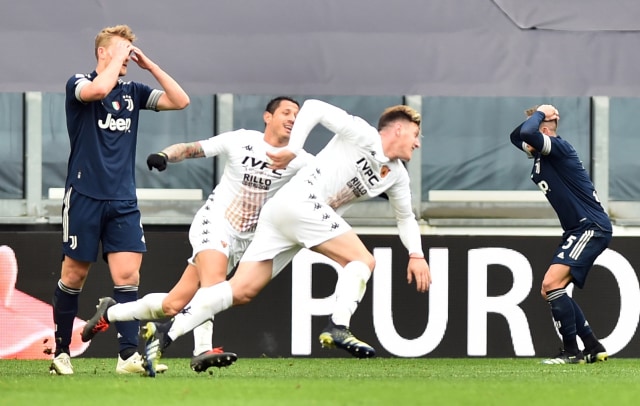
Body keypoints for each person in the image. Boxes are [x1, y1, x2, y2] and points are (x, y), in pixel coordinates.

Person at [138, 99, 432, 374]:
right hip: (300, 204)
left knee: (240, 291)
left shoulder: (397, 176)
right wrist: (294, 148)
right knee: (362, 260)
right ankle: (338, 326)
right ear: (398, 129)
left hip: (283, 215)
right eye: (416, 134)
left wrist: (416, 254)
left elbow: (405, 217)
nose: (418, 143)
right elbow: (314, 107)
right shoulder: (361, 133)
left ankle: (166, 333)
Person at [81, 96, 312, 376]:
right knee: (214, 286)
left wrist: (376, 187)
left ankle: (110, 313)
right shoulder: (242, 141)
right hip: (213, 222)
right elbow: (193, 149)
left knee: (172, 305)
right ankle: (202, 350)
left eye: (297, 116)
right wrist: (166, 155)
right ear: (268, 117)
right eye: (286, 112)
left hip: (241, 241)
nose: (292, 119)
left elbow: (330, 178)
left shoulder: (299, 160)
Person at [50, 24, 190, 376]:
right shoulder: (79, 83)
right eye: (123, 50)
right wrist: (114, 59)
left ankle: (127, 356)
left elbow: (180, 100)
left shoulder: (133, 91)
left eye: (131, 51)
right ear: (102, 52)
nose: (128, 57)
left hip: (123, 199)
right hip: (84, 195)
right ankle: (62, 352)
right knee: (74, 275)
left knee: (128, 277)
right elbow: (98, 89)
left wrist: (150, 66)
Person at [509, 104, 610, 365]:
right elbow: (515, 136)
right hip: (578, 229)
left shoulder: (558, 148)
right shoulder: (541, 152)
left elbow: (529, 134)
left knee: (551, 284)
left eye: (533, 131)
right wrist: (541, 117)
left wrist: (542, 112)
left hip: (590, 226)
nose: (524, 141)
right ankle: (591, 346)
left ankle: (571, 352)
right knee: (551, 289)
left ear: (543, 131)